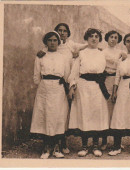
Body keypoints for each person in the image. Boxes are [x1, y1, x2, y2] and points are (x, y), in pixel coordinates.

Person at [37, 23, 88, 154]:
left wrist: (70, 86)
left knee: (63, 114)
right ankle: (51, 145)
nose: (61, 33)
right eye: (59, 30)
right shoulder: (44, 51)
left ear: (67, 33)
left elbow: (87, 45)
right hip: (49, 86)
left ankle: (62, 143)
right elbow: (38, 72)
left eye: (64, 31)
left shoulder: (70, 45)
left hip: (66, 82)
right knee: (50, 114)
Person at [68, 28, 110, 157]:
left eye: (97, 36)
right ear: (87, 38)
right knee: (84, 114)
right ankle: (84, 146)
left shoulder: (103, 53)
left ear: (99, 39)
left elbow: (117, 58)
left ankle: (96, 145)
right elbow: (74, 72)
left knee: (96, 114)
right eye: (91, 36)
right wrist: (72, 87)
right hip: (84, 86)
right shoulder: (82, 53)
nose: (94, 38)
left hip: (98, 87)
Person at [30, 31, 70, 159]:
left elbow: (67, 74)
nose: (52, 43)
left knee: (58, 116)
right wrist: (43, 85)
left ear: (58, 42)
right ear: (46, 42)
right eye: (50, 40)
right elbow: (36, 75)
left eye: (55, 40)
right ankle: (46, 147)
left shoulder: (63, 57)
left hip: (58, 89)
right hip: (45, 89)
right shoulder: (41, 56)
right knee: (46, 116)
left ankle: (56, 147)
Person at [100, 30, 123, 150]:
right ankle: (104, 140)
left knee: (116, 111)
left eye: (115, 37)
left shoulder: (121, 52)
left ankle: (117, 141)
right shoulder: (102, 52)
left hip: (118, 81)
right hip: (105, 80)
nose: (113, 39)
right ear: (107, 38)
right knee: (105, 110)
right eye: (111, 37)